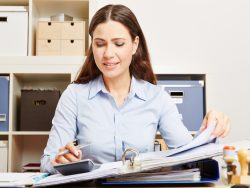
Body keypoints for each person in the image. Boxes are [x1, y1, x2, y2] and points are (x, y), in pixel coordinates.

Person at [41, 4, 230, 174]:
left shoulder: (157, 98)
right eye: (100, 44)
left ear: (134, 44)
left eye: (119, 44)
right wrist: (59, 161)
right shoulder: (74, 96)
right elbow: (47, 162)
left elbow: (189, 158)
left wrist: (209, 131)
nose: (108, 54)